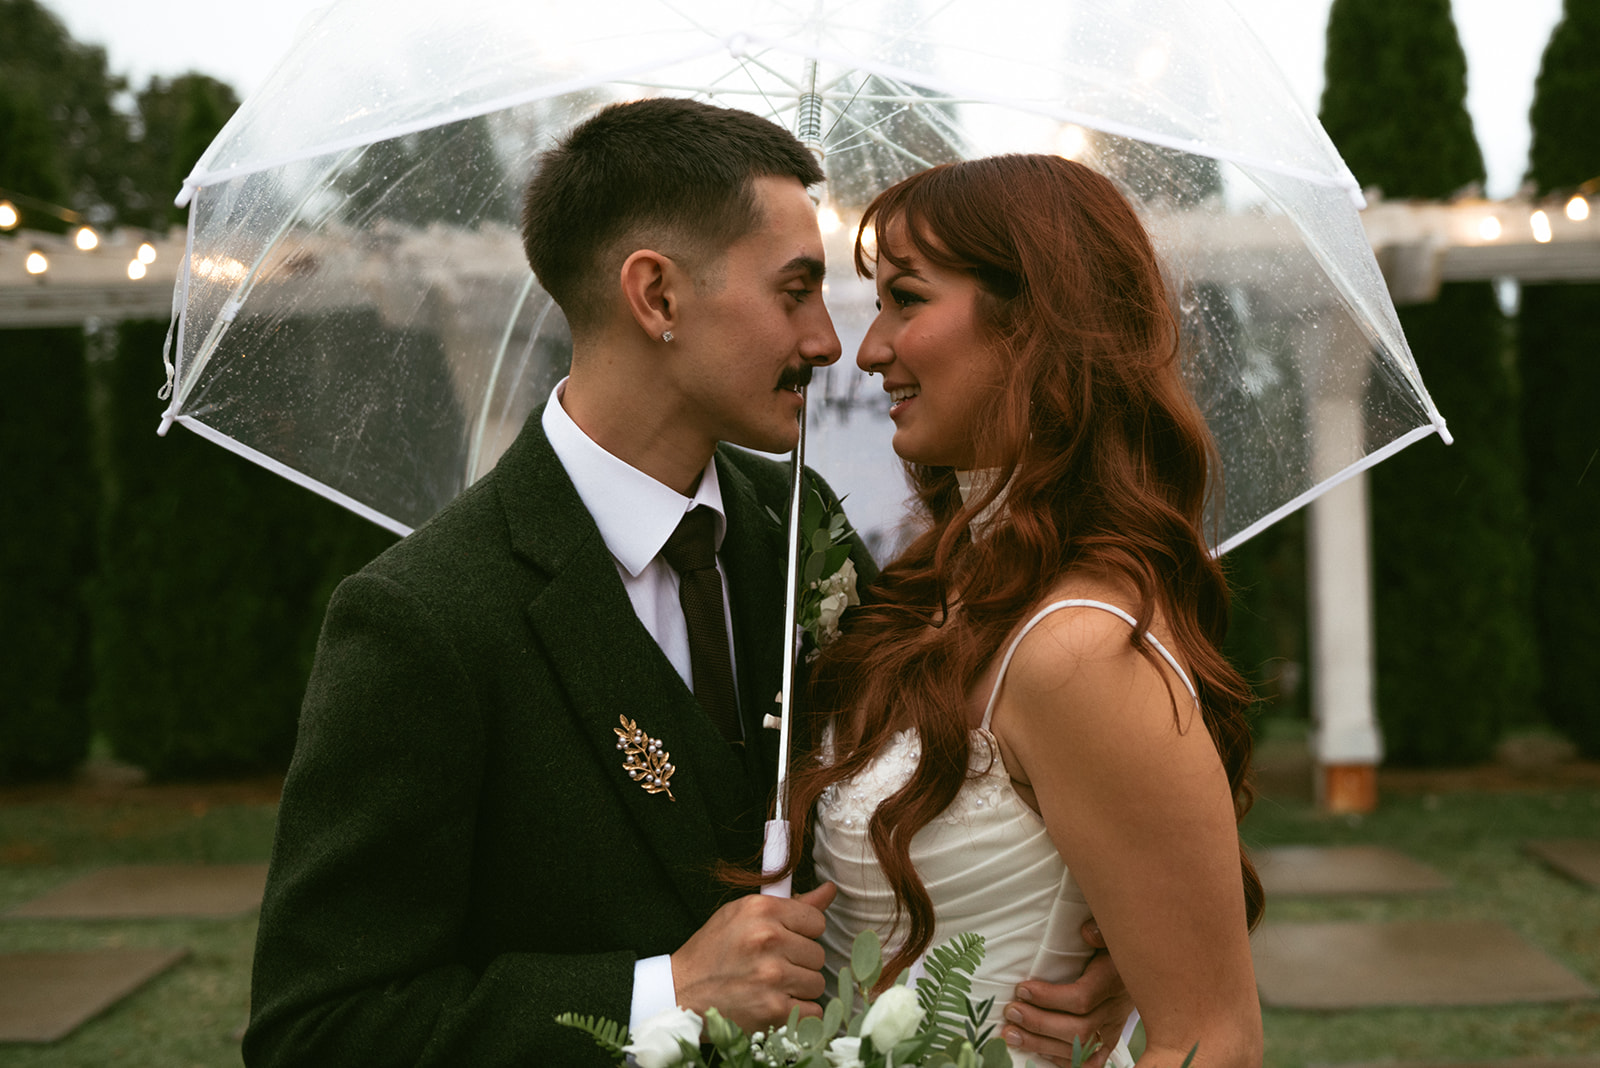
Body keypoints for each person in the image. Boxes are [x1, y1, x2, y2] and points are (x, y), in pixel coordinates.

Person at [244, 102, 1129, 1067]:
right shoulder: (426, 617)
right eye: (795, 292)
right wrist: (661, 992)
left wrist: (1115, 933)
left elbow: (979, 763)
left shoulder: (805, 527)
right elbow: (314, 1031)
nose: (830, 344)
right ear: (656, 296)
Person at [782, 155, 1266, 1068]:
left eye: (906, 299)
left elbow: (1216, 1041)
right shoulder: (936, 587)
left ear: (1034, 322)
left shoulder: (1081, 652)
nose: (870, 347)